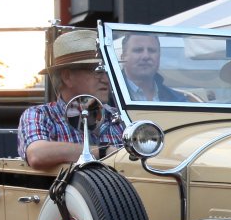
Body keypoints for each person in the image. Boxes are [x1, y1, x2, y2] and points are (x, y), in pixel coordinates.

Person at [17, 30, 125, 170]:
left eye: (106, 71)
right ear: (67, 77)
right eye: (97, 71)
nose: (105, 79)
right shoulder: (40, 115)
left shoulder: (119, 116)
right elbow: (37, 154)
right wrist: (102, 151)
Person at [120, 33, 196, 102]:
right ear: (123, 58)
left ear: (159, 57)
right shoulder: (113, 97)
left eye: (151, 50)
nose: (146, 56)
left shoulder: (177, 100)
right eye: (138, 50)